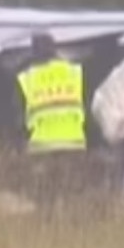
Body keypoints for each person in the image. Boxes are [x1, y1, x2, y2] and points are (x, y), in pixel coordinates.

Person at [15, 30, 88, 217]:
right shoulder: (73, 72)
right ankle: (69, 230)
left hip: (43, 145)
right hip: (74, 142)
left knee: (45, 197)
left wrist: (20, 140)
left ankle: (48, 228)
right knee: (70, 195)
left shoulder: (29, 77)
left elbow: (19, 116)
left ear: (34, 52)